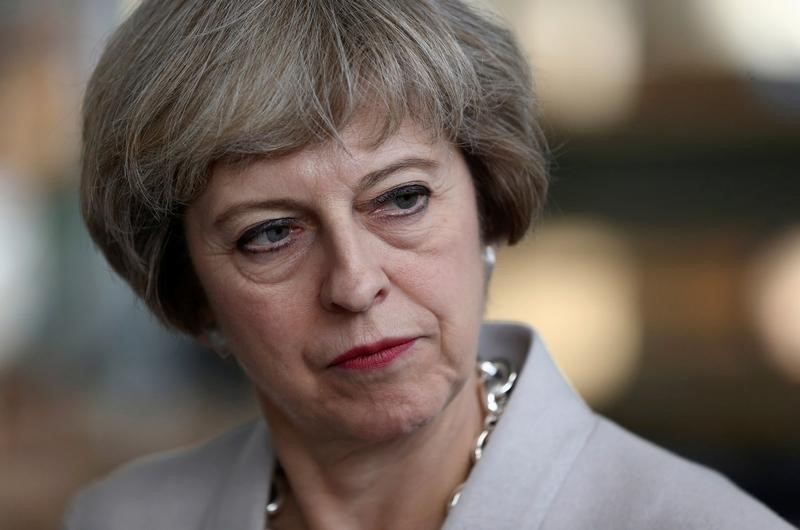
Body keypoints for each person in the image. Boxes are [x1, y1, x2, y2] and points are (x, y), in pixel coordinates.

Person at [64, 1, 794, 529]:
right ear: (188, 284)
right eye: (270, 234)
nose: (354, 284)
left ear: (488, 198)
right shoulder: (118, 518)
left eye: (403, 198)